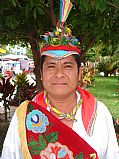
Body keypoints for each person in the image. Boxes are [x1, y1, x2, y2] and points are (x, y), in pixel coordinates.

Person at [1, 1, 119, 159]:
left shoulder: (99, 113)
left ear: (79, 74)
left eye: (68, 66)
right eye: (51, 67)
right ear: (41, 74)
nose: (59, 74)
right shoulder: (25, 116)